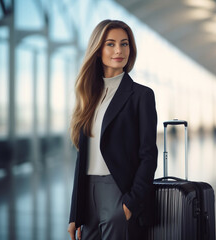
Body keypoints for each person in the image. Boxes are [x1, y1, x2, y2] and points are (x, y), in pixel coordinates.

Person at [67, 20, 158, 240]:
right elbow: (83, 157)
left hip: (118, 192)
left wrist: (130, 204)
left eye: (124, 44)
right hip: (87, 195)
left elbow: (148, 155)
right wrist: (74, 213)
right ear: (98, 51)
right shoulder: (88, 97)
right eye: (111, 44)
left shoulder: (141, 96)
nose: (119, 50)